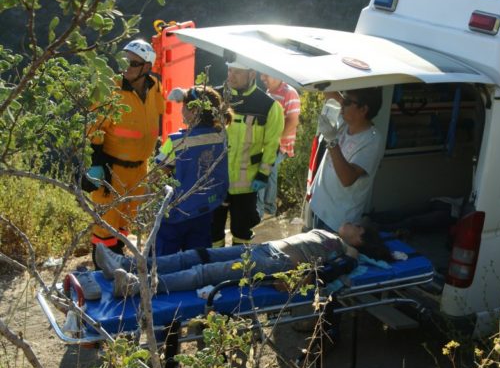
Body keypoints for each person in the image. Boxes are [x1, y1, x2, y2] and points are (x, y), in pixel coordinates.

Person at [93, 222, 391, 297]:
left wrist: (298, 282)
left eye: (357, 225)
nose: (350, 222)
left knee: (204, 272)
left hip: (277, 264)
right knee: (196, 255)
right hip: (264, 249)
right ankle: (125, 265)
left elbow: (328, 274)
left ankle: (138, 286)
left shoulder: (349, 254)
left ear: (360, 238)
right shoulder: (331, 234)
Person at [85, 39, 165, 267]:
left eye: (133, 63)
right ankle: (102, 273)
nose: (126, 66)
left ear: (147, 67)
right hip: (111, 170)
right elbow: (93, 128)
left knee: (125, 222)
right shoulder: (109, 89)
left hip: (140, 169)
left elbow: (159, 115)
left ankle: (119, 267)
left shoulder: (155, 87)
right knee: (105, 227)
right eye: (124, 61)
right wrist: (95, 164)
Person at [211, 62, 284, 246]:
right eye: (229, 70)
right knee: (212, 232)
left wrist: (263, 175)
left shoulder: (268, 106)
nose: (231, 76)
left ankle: (238, 263)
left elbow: (271, 145)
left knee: (242, 233)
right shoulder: (215, 98)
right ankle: (214, 262)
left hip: (247, 185)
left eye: (237, 72)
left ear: (252, 74)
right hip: (215, 180)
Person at [153, 86, 231, 255]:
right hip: (205, 209)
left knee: (165, 261)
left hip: (176, 214)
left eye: (184, 106)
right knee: (197, 259)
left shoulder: (176, 142)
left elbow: (155, 177)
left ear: (194, 110)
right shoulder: (220, 135)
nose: (181, 111)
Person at [310, 87, 384, 232]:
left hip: (338, 222)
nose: (342, 104)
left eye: (347, 102)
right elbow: (327, 89)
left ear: (363, 109)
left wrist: (332, 141)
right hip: (319, 208)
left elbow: (347, 179)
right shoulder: (345, 122)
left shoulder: (373, 140)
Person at [256, 73, 301, 220]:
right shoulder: (270, 91)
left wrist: (274, 141)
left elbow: (293, 121)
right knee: (267, 170)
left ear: (276, 75)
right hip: (269, 142)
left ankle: (264, 211)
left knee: (265, 168)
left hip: (281, 144)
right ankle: (265, 210)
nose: (262, 78)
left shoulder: (290, 93)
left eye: (266, 75)